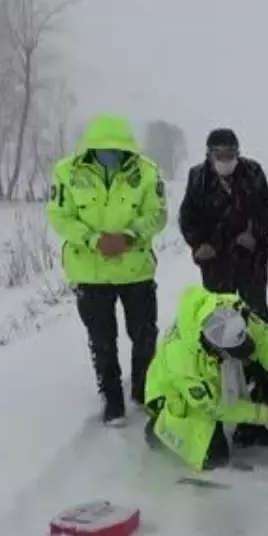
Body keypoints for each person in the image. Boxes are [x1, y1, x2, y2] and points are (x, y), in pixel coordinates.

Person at [47, 114, 168, 426]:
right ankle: (112, 399)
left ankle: (143, 388)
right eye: (103, 150)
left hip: (136, 271)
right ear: (90, 149)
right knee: (101, 339)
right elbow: (60, 216)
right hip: (90, 273)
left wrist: (130, 236)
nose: (110, 155)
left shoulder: (147, 172)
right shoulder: (67, 172)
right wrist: (93, 240)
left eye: (117, 150)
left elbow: (157, 215)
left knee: (144, 335)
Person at [143, 285, 268, 470]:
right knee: (214, 458)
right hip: (178, 396)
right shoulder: (184, 362)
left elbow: (263, 339)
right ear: (216, 348)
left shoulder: (231, 308)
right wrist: (266, 414)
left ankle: (249, 431)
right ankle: (159, 426)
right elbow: (214, 406)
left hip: (211, 369)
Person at [178, 128, 268, 321]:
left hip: (251, 257)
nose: (225, 160)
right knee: (221, 315)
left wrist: (255, 234)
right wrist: (199, 244)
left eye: (230, 154)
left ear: (238, 153)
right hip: (215, 259)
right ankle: (223, 350)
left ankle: (258, 347)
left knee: (255, 313)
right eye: (219, 154)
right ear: (209, 155)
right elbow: (187, 217)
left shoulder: (253, 172)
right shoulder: (198, 178)